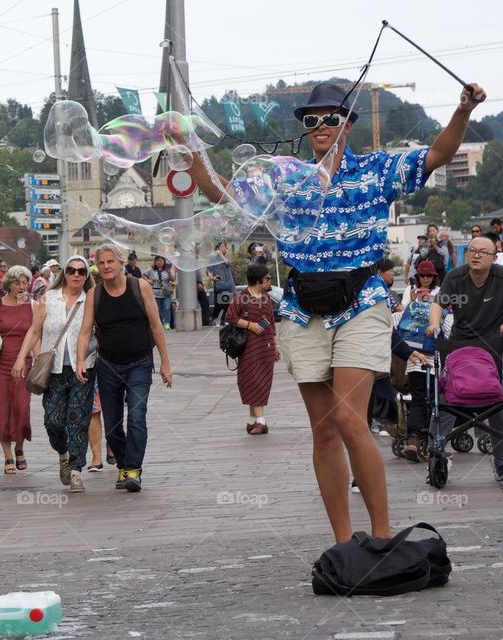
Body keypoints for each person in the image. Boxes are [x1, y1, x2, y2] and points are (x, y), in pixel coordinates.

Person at [190, 79, 485, 543]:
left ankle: (383, 536)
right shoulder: (287, 180)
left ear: (348, 123)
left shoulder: (376, 170)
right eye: (312, 120)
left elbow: (438, 154)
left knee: (350, 418)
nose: (321, 126)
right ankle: (345, 544)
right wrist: (190, 152)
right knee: (324, 429)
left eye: (330, 117)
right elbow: (221, 193)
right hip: (305, 310)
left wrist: (463, 111)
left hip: (360, 302)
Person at [76, 243, 173, 493]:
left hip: (139, 363)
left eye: (111, 261)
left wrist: (165, 362)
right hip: (108, 365)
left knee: (137, 416)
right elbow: (85, 331)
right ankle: (123, 464)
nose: (106, 266)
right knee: (112, 425)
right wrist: (79, 361)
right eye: (102, 262)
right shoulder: (94, 295)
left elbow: (155, 326)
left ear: (121, 263)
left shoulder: (139, 287)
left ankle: (132, 470)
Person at [12, 256, 97, 492]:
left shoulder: (90, 300)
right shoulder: (48, 298)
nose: (76, 275)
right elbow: (34, 330)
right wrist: (21, 357)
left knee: (78, 419)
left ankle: (77, 469)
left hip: (84, 369)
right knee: (53, 421)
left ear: (87, 275)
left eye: (81, 271)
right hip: (55, 369)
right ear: (64, 273)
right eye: (71, 270)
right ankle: (63, 453)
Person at [428, 236, 503, 486]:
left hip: (495, 343)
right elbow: (438, 304)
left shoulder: (500, 277)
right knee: (446, 396)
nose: (476, 255)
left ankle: (501, 462)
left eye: (483, 251)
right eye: (472, 250)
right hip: (461, 343)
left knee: (499, 400)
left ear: (494, 257)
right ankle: (436, 449)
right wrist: (434, 323)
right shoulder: (456, 277)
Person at [0, 265, 34, 473]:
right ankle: (7, 456)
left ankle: (19, 447)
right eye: (17, 283)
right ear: (8, 284)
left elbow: (36, 334)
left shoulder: (34, 305)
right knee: (1, 409)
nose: (22, 287)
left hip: (23, 362)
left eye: (25, 282)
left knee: (22, 408)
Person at [226, 264, 279, 434]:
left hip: (266, 347)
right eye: (267, 278)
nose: (269, 281)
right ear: (258, 280)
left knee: (262, 382)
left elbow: (271, 323)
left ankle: (252, 421)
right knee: (251, 381)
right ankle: (262, 422)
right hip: (249, 347)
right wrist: (251, 325)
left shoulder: (266, 298)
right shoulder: (242, 297)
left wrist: (276, 345)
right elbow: (231, 317)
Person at [399, 259, 442, 461]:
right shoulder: (409, 291)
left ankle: (417, 441)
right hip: (417, 350)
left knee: (430, 398)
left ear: (434, 276)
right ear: (417, 276)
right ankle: (419, 441)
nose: (425, 278)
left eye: (428, 275)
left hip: (432, 349)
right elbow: (403, 314)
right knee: (424, 397)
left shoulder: (441, 292)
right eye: (422, 275)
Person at [143, 255, 176, 330]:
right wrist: (148, 281)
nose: (159, 262)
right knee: (158, 310)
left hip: (166, 292)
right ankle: (160, 324)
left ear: (164, 262)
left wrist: (169, 273)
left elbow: (173, 279)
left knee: (167, 308)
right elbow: (144, 275)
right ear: (155, 262)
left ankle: (167, 324)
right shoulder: (151, 269)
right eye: (157, 261)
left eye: (161, 260)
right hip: (155, 293)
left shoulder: (167, 269)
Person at [207, 242, 235, 324]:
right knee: (220, 304)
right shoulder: (213, 259)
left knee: (228, 302)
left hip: (229, 283)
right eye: (222, 246)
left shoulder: (227, 257)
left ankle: (223, 319)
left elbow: (228, 264)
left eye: (225, 247)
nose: (224, 248)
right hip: (219, 284)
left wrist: (222, 256)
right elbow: (208, 270)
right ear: (218, 249)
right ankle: (214, 318)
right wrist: (212, 278)